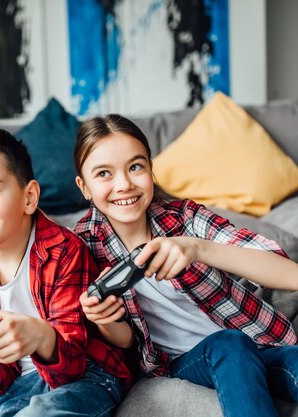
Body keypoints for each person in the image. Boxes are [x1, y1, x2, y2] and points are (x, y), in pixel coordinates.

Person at [72, 114, 298, 417]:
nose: (124, 184)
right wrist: (103, 319)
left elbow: (289, 273)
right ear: (83, 186)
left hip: (258, 344)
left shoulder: (185, 218)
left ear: (151, 171)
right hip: (188, 361)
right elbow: (125, 340)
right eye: (104, 174)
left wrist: (198, 248)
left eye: (136, 167)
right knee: (229, 344)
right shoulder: (81, 244)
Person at [0, 128, 133, 417]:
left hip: (85, 377)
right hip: (15, 386)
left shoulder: (65, 251)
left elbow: (73, 368)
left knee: (42, 412)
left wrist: (43, 338)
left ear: (29, 197)